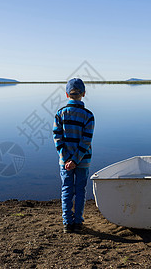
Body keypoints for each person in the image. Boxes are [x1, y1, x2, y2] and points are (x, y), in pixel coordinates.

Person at [53, 78, 95, 233]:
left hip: (64, 162)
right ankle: (78, 222)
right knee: (80, 190)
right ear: (83, 94)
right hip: (83, 161)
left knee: (66, 189)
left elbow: (57, 138)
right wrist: (76, 160)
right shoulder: (88, 116)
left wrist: (66, 158)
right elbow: (86, 140)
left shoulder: (60, 114)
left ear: (66, 94)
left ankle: (67, 223)